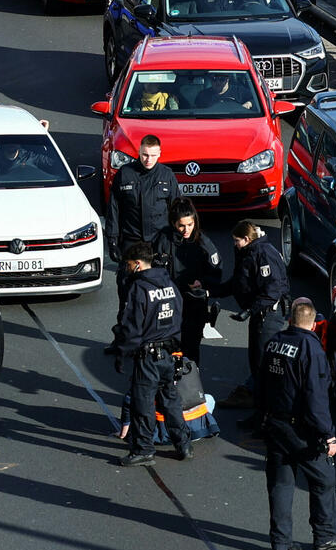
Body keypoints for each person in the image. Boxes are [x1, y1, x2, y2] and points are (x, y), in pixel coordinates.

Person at [261, 299, 336, 550]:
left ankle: (281, 543)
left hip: (275, 424)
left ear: (290, 319)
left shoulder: (274, 342)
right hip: (302, 430)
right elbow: (315, 397)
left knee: (280, 484)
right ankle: (324, 536)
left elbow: (262, 381)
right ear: (312, 324)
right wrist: (328, 434)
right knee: (323, 480)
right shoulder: (311, 348)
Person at [198, 220, 289, 417]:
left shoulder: (263, 254)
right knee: (256, 359)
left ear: (247, 239)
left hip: (268, 314)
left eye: (236, 240)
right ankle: (256, 401)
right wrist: (210, 291)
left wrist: (250, 310)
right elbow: (238, 283)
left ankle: (266, 412)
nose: (234, 244)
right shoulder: (249, 253)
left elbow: (272, 291)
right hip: (260, 313)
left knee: (262, 361)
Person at [115, 242, 193, 466]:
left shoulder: (138, 289)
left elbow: (131, 328)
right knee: (170, 400)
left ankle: (144, 449)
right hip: (169, 353)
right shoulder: (169, 283)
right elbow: (179, 313)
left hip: (147, 356)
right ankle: (183, 444)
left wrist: (122, 355)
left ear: (138, 264)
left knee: (144, 403)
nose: (128, 269)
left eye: (129, 265)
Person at [105, 134, 180, 354]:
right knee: (127, 294)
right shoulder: (125, 174)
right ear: (139, 152)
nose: (148, 160)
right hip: (131, 241)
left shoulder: (166, 176)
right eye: (145, 155)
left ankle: (155, 342)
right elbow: (114, 209)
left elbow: (177, 209)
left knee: (157, 296)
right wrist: (112, 238)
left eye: (153, 155)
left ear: (160, 154)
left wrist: (175, 241)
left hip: (158, 244)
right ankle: (122, 341)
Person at [152, 198, 222, 364]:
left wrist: (202, 283)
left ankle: (191, 382)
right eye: (181, 225)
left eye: (190, 225)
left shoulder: (202, 242)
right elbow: (154, 271)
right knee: (170, 347)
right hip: (170, 301)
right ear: (173, 223)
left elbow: (216, 270)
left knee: (191, 348)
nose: (186, 230)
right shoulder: (163, 240)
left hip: (194, 301)